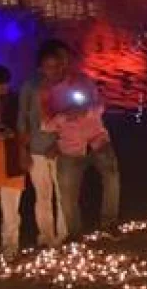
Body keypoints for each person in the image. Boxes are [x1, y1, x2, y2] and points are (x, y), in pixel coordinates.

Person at [43, 66, 120, 239]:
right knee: (68, 194)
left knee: (111, 178)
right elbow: (46, 125)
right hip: (70, 149)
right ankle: (74, 234)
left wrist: (87, 108)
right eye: (52, 66)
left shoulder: (83, 81)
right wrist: (63, 115)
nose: (57, 69)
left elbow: (101, 103)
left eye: (60, 63)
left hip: (97, 142)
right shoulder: (48, 92)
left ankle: (109, 223)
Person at [18, 40, 69, 247]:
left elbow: (74, 121)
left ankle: (64, 236)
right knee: (43, 195)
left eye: (56, 66)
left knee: (65, 194)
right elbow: (23, 118)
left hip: (63, 149)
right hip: (37, 149)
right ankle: (46, 237)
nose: (53, 71)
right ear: (40, 67)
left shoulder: (67, 87)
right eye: (48, 66)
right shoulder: (30, 87)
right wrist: (22, 149)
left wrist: (59, 144)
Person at [0, 65, 26, 259]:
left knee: (11, 213)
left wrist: (13, 133)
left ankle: (10, 248)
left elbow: (26, 127)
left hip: (13, 163)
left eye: (3, 88)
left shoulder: (17, 101)